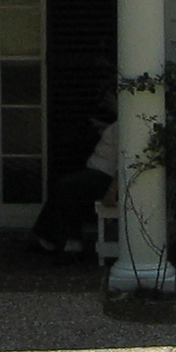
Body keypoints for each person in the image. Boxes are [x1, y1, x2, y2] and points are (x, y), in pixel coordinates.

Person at [29, 101, 119, 258]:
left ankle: (69, 240)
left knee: (66, 187)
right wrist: (103, 126)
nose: (109, 104)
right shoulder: (120, 123)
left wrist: (112, 190)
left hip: (104, 176)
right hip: (97, 171)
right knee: (64, 186)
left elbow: (124, 160)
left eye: (110, 99)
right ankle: (50, 238)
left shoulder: (126, 125)